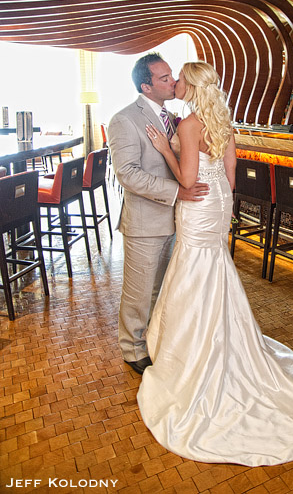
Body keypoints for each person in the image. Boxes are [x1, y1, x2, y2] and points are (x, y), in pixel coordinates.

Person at [137, 61, 293, 465]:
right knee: (214, 270)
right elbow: (231, 172)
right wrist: (224, 208)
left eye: (179, 79)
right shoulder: (221, 120)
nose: (174, 82)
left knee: (193, 272)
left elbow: (188, 179)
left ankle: (194, 352)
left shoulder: (190, 124)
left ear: (192, 86)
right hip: (218, 205)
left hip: (197, 205)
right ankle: (222, 338)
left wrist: (165, 149)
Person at [107, 53, 208, 374]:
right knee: (139, 291)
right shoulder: (124, 120)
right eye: (165, 79)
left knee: (163, 288)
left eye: (172, 76)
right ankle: (132, 348)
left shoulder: (172, 116)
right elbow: (129, 174)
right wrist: (179, 191)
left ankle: (153, 339)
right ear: (146, 87)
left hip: (178, 219)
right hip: (145, 222)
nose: (174, 82)